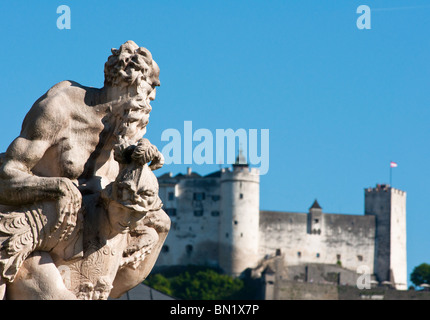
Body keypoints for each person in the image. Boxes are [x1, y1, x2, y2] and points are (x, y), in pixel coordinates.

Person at [3, 139, 170, 300]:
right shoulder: (69, 215)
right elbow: (6, 242)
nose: (127, 220)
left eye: (136, 215)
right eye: (121, 210)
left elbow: (119, 287)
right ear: (108, 198)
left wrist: (162, 232)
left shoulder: (135, 234)